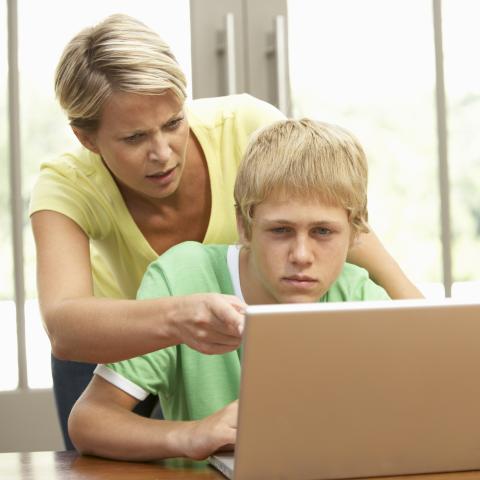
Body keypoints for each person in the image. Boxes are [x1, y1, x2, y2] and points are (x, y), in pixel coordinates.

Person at [29, 14, 421, 449]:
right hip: (116, 332)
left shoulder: (245, 124)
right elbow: (65, 328)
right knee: (106, 455)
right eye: (135, 137)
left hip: (223, 327)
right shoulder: (67, 186)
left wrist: (426, 327)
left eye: (175, 122)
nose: (163, 153)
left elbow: (327, 200)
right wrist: (179, 324)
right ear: (88, 139)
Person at [68, 118, 391, 461]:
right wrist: (191, 435)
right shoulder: (183, 278)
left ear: (355, 232)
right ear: (245, 226)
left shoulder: (360, 295)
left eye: (323, 232)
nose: (301, 255)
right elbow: (88, 421)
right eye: (280, 230)